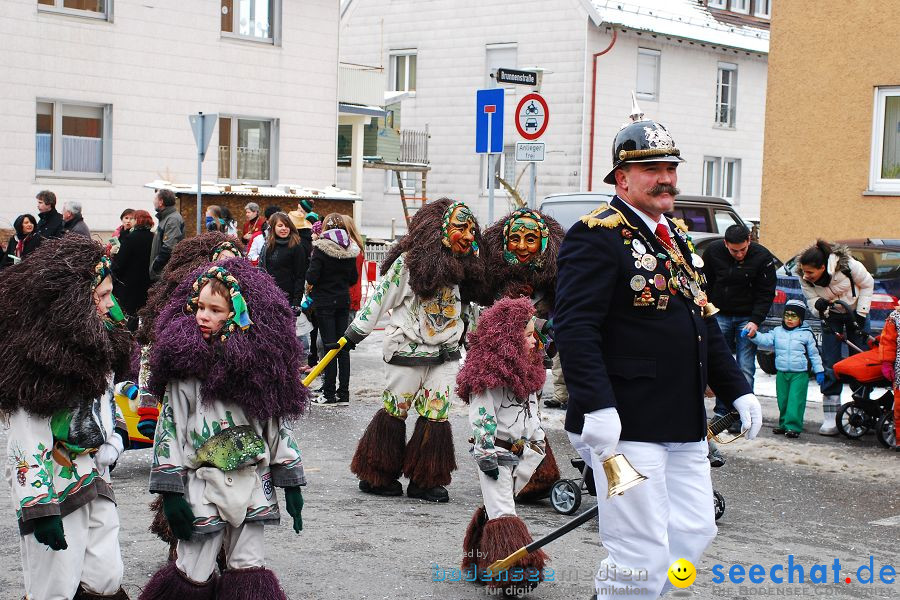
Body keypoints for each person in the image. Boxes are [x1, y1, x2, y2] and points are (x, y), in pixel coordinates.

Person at [554, 100, 761, 598]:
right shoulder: (595, 236)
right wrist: (597, 407)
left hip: (682, 421)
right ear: (621, 178)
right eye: (651, 169)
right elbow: (575, 326)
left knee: (694, 532)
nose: (665, 178)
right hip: (624, 425)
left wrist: (737, 389)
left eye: (670, 168)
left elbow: (702, 323)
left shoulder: (677, 240)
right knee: (639, 548)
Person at [139, 258, 307, 600]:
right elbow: (170, 427)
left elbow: (276, 426)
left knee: (248, 565)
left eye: (215, 309)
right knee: (194, 567)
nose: (203, 315)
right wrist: (170, 494)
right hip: (203, 485)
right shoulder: (184, 372)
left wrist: (290, 481)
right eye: (199, 306)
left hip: (252, 482)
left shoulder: (260, 372)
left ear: (239, 314)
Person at [0, 235, 134, 600]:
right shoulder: (34, 368)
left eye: (110, 294)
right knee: (53, 588)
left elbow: (105, 400)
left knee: (106, 578)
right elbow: (25, 439)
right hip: (54, 489)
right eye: (102, 296)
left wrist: (114, 437)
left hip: (95, 479)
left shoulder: (95, 343)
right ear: (74, 301)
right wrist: (40, 508)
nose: (111, 305)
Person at [347, 198, 483, 503]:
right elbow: (381, 298)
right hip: (406, 349)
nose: (470, 235)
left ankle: (426, 479)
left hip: (445, 353)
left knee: (437, 414)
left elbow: (470, 309)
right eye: (462, 228)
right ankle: (377, 474)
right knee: (396, 409)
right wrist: (355, 332)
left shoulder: (467, 268)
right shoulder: (409, 263)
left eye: (472, 229)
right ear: (441, 230)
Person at [458, 297, 549, 595]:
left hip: (519, 453)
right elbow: (481, 416)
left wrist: (537, 441)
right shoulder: (488, 378)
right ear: (507, 338)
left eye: (534, 334)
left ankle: (478, 561)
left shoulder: (528, 372)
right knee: (504, 511)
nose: (534, 341)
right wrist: (485, 453)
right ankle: (513, 573)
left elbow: (532, 412)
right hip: (495, 455)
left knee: (495, 506)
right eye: (526, 335)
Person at [794, 239, 874, 435]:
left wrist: (862, 313)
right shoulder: (803, 277)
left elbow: (867, 284)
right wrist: (817, 306)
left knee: (862, 360)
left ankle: (862, 409)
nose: (806, 275)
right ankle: (830, 415)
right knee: (830, 362)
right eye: (804, 271)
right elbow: (811, 299)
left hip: (856, 313)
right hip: (831, 316)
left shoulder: (848, 266)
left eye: (810, 272)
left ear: (823, 267)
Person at [702, 223, 777, 394]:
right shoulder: (713, 252)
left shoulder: (762, 256)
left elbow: (766, 293)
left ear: (749, 240)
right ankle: (723, 412)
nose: (739, 254)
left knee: (745, 366)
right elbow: (704, 284)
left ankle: (744, 413)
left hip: (747, 318)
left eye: (743, 249)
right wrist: (707, 312)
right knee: (720, 364)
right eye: (734, 251)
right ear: (725, 243)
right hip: (719, 314)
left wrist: (756, 321)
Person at [746, 299, 825, 438]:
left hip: (799, 374)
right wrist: (754, 335)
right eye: (786, 315)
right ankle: (784, 424)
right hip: (782, 372)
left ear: (800, 318)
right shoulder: (777, 332)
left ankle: (793, 426)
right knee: (783, 400)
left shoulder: (806, 334)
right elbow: (765, 340)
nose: (789, 319)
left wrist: (819, 371)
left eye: (793, 316)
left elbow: (814, 354)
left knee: (795, 400)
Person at [305, 213, 361, 406]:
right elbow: (353, 278)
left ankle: (328, 394)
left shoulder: (321, 249)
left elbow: (312, 277)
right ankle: (343, 393)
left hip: (325, 302)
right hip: (343, 301)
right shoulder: (349, 249)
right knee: (343, 347)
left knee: (329, 346)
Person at [112, 209, 155, 331]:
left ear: (137, 221)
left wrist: (113, 275)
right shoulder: (153, 237)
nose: (131, 221)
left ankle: (129, 339)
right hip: (146, 281)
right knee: (141, 313)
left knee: (129, 314)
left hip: (129, 283)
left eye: (133, 218)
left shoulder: (131, 238)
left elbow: (120, 262)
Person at [259, 212, 308, 308]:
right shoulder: (268, 245)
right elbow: (262, 270)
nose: (284, 228)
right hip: (269, 295)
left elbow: (300, 276)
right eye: (280, 225)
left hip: (288, 298)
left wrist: (296, 302)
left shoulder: (296, 246)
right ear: (273, 227)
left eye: (287, 226)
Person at [149, 189, 186, 282]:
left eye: (155, 199)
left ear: (161, 202)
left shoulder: (172, 219)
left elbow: (169, 247)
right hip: (161, 273)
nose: (153, 202)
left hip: (164, 274)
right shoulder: (165, 218)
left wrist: (155, 267)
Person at [342, 214, 366, 322]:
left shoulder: (352, 248)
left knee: (344, 333)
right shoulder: (356, 246)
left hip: (349, 294)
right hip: (352, 293)